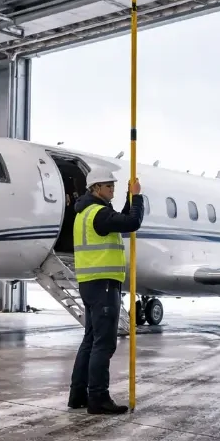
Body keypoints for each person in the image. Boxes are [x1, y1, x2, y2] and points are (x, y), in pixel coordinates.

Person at [67, 170, 144, 415]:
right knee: (104, 344)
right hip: (104, 284)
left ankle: (78, 395)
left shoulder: (85, 213)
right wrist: (138, 198)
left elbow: (120, 219)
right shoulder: (98, 213)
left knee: (90, 341)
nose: (112, 190)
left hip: (89, 282)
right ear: (96, 188)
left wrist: (128, 200)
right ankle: (98, 399)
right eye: (109, 187)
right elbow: (132, 223)